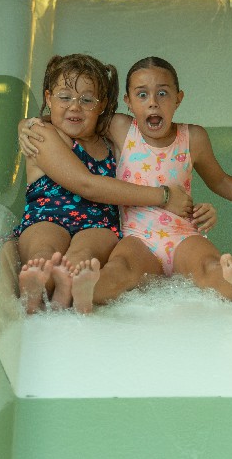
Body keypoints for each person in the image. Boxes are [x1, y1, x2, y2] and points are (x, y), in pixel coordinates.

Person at [21, 56, 232, 314]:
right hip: (137, 237)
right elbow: (75, 117)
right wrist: (31, 123)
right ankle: (87, 290)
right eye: (142, 94)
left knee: (208, 266)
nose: (153, 103)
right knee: (121, 268)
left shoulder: (193, 137)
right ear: (128, 101)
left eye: (162, 93)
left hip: (182, 233)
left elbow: (220, 180)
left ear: (178, 98)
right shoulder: (120, 128)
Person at [11, 54, 216, 314]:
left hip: (98, 224)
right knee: (44, 249)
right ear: (49, 98)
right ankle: (35, 289)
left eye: (87, 100)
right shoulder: (40, 133)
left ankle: (67, 288)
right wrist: (24, 124)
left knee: (82, 256)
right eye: (65, 97)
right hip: (46, 216)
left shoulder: (110, 139)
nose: (75, 107)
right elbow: (87, 185)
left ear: (102, 106)